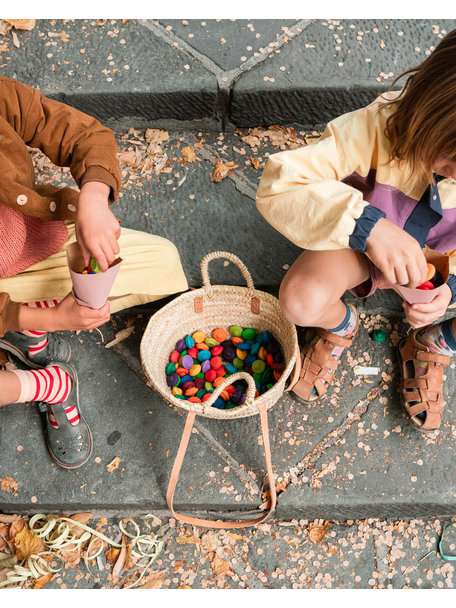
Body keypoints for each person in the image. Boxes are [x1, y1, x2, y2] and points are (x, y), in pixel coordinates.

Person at [256, 29, 456, 433]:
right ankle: (339, 324)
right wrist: (369, 226)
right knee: (299, 300)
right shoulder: (374, 128)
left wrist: (451, 289)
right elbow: (280, 184)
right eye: (451, 156)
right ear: (427, 112)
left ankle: (436, 341)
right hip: (360, 248)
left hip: (443, 260)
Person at [0, 76, 188, 468]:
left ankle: (29, 338)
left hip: (30, 245)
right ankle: (50, 384)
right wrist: (54, 317)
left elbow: (84, 134)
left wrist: (94, 197)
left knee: (164, 263)